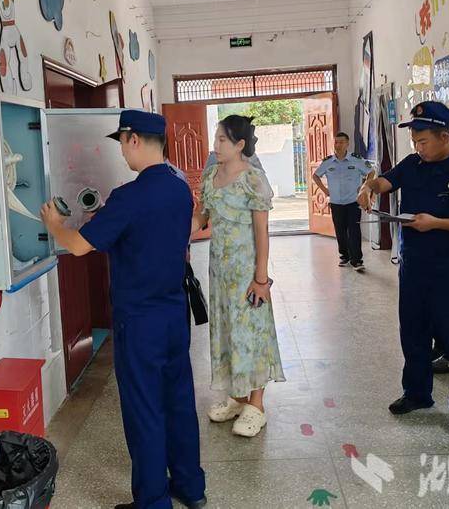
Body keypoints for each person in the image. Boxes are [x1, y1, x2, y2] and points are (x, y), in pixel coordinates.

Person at [41, 110, 206, 509]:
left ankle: (153, 501)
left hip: (140, 321)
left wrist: (54, 224)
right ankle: (190, 487)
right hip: (174, 314)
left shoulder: (129, 197)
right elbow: (165, 231)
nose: (122, 153)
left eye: (122, 144)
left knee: (144, 409)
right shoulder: (179, 186)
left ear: (133, 139)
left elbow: (78, 246)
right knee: (179, 402)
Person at [357, 101, 449, 435]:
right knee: (413, 333)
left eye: (423, 141)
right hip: (413, 267)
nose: (418, 148)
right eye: (414, 142)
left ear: (445, 136)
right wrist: (367, 187)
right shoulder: (413, 164)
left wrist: (437, 223)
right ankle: (416, 393)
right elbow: (385, 181)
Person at [193, 115, 285, 438]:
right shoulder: (211, 176)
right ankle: (237, 397)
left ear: (240, 145)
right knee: (228, 331)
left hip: (246, 274)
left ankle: (256, 405)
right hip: (219, 273)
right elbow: (202, 216)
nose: (215, 145)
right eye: (215, 138)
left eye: (222, 140)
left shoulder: (253, 180)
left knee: (251, 334)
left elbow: (262, 232)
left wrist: (261, 279)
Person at [312, 131, 373, 271]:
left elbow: (371, 172)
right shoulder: (328, 162)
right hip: (336, 202)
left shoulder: (356, 160)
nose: (338, 145)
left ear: (347, 144)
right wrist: (325, 190)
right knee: (340, 231)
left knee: (354, 230)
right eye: (336, 142)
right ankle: (345, 256)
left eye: (341, 142)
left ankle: (357, 260)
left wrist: (365, 188)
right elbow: (316, 176)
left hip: (353, 202)